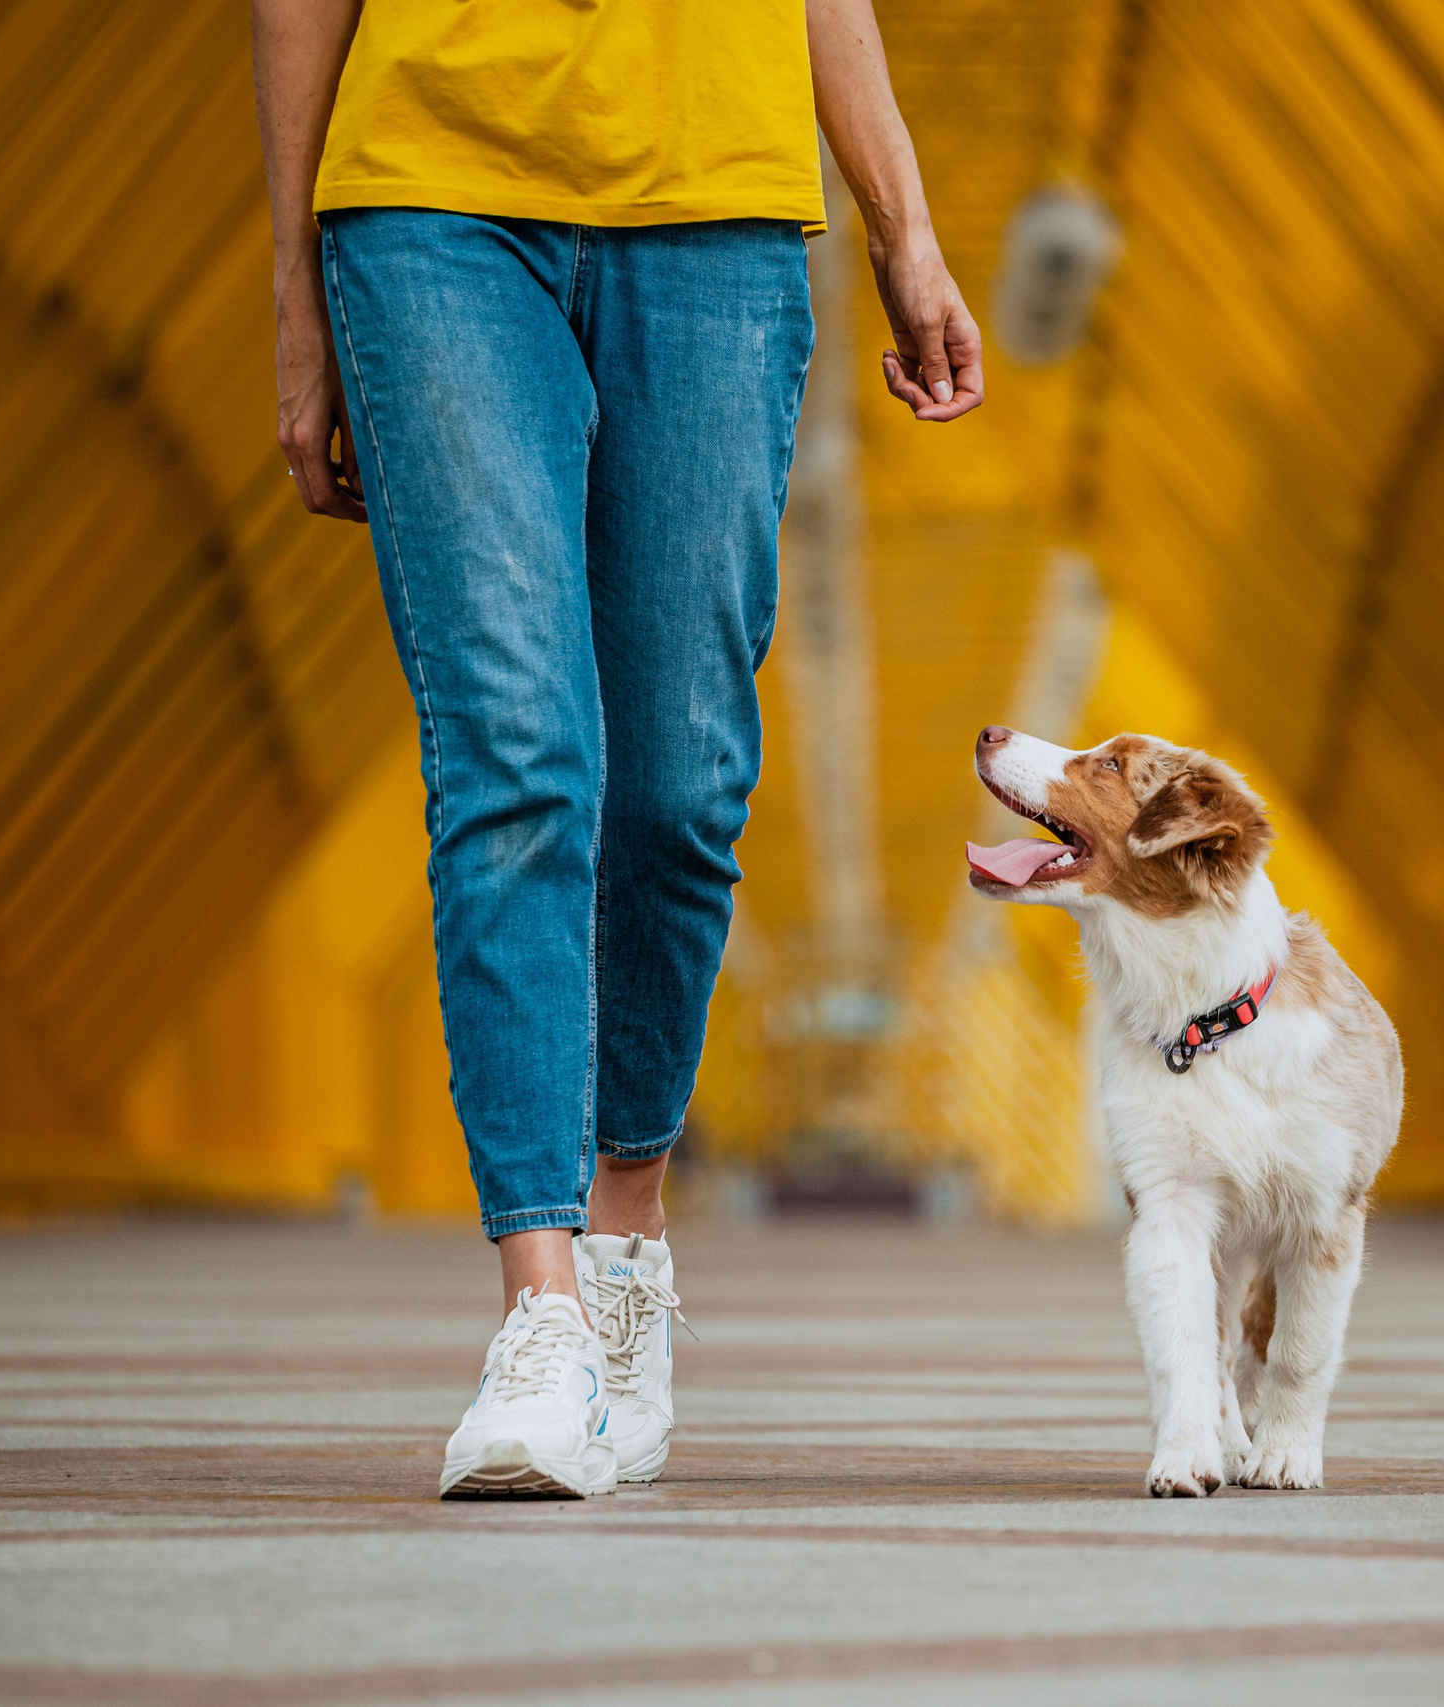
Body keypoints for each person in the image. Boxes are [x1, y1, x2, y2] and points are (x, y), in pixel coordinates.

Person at [251, 0, 981, 1497]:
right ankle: (541, 1311)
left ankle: (626, 1235)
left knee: (679, 784)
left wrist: (904, 224)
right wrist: (293, 292)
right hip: (430, 198)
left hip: (718, 207)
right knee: (520, 754)